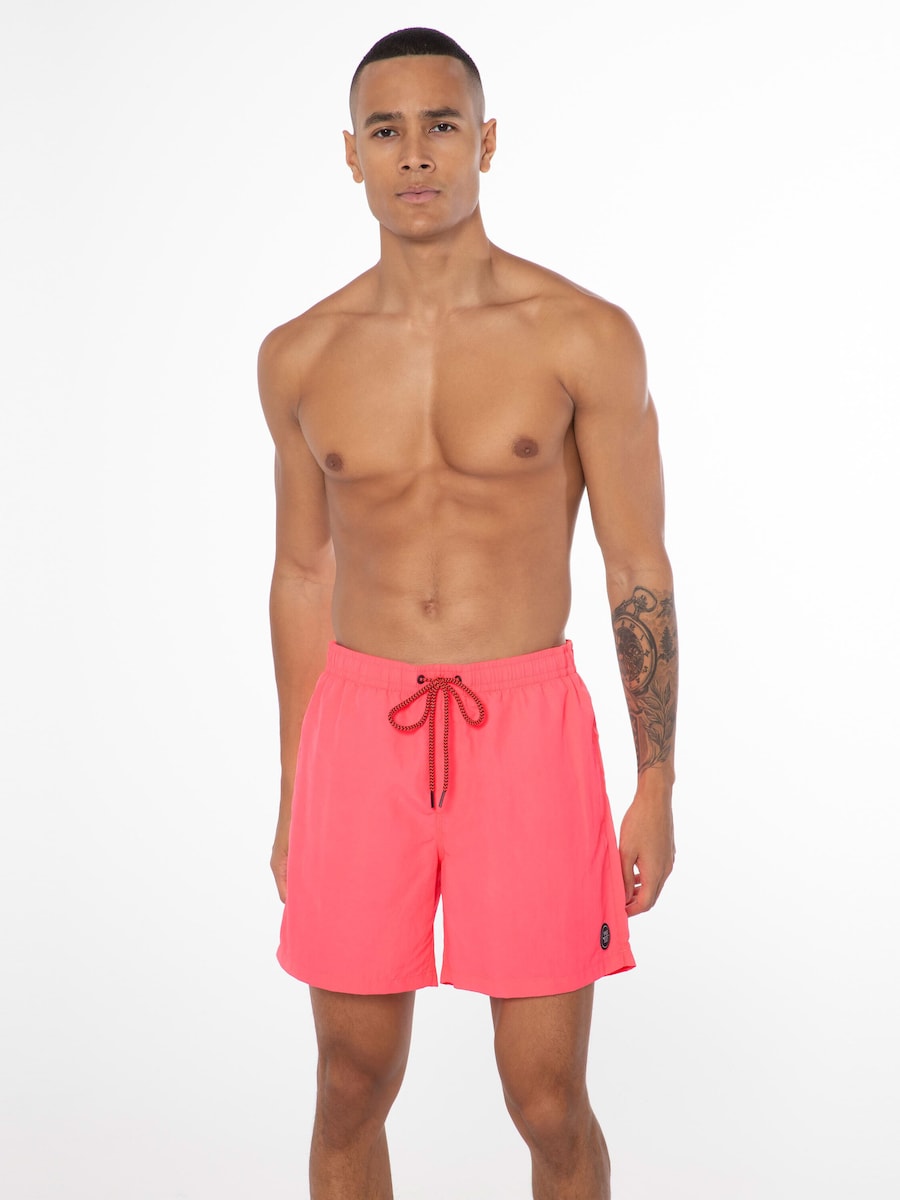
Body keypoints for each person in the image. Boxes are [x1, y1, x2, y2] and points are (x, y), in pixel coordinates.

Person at [258, 26, 677, 1200]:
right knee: (349, 1083)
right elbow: (302, 573)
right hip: (361, 729)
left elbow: (636, 567)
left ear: (485, 142)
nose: (415, 154)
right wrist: (295, 785)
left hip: (526, 728)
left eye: (441, 125)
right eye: (386, 130)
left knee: (546, 1100)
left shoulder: (583, 335)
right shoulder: (300, 356)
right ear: (351, 154)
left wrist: (655, 782)